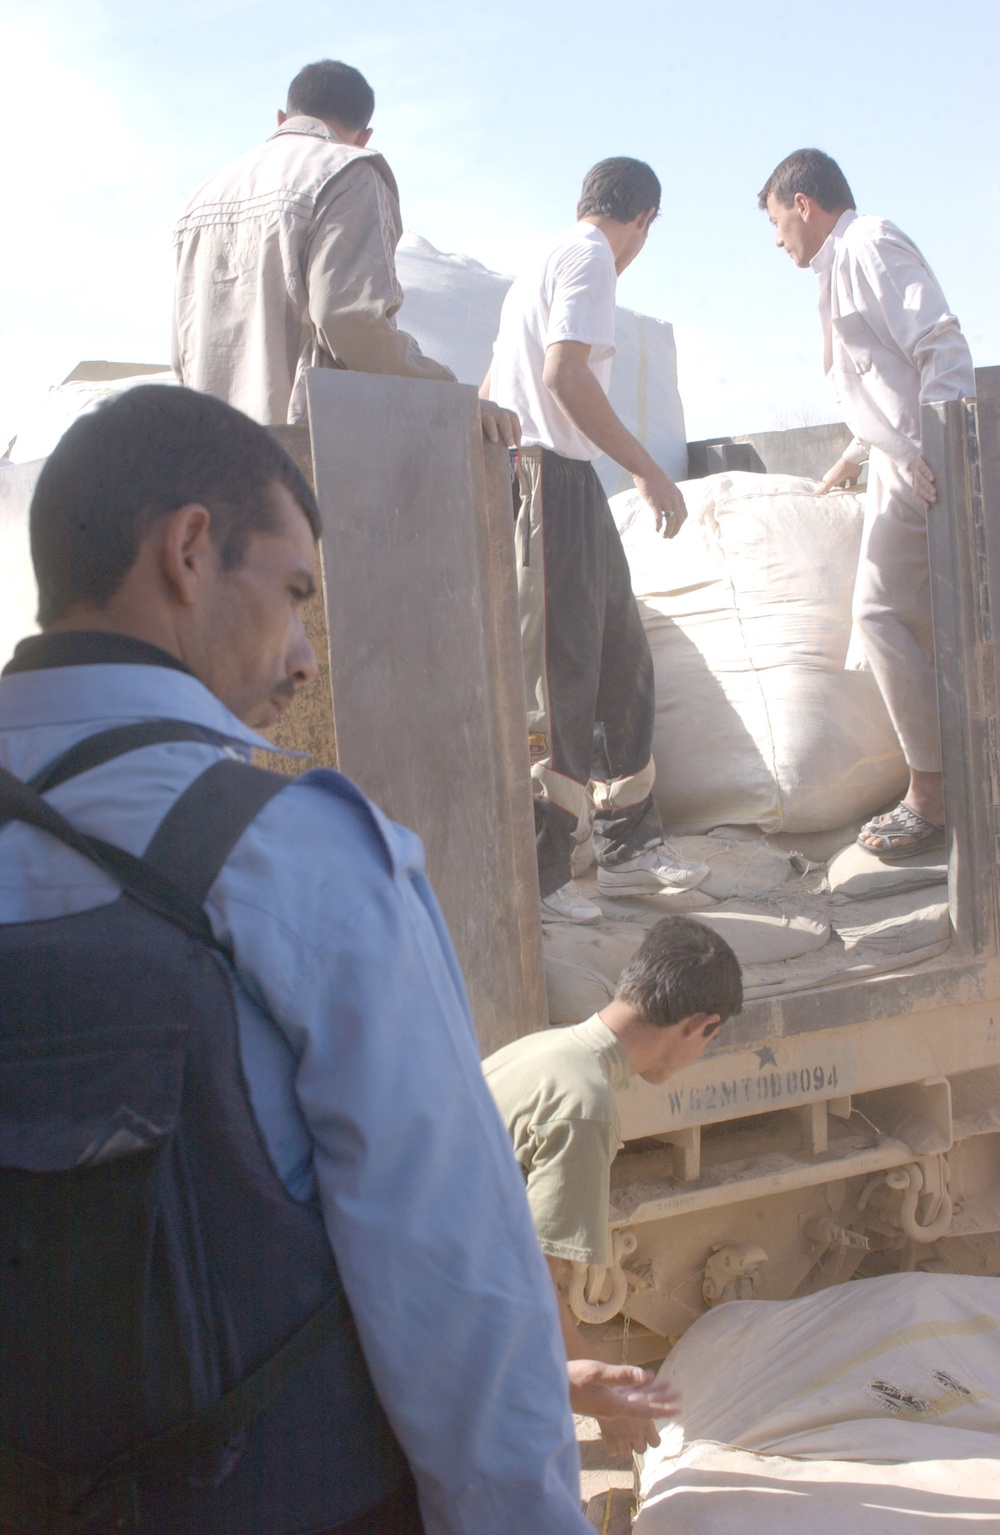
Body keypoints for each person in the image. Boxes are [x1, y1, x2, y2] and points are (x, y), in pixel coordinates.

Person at [0, 384, 594, 1535]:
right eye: (291, 592)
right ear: (187, 549)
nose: (304, 657)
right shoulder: (294, 850)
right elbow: (451, 1278)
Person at [482, 157, 709, 924]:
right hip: (552, 484)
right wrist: (646, 469)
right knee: (561, 675)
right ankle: (542, 878)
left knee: (621, 658)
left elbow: (491, 388)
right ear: (643, 220)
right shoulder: (589, 257)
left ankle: (631, 849)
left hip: (566, 482)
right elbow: (563, 375)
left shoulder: (540, 265)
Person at [759, 148, 976, 860]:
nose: (778, 238)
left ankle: (933, 795)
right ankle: (947, 784)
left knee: (880, 617)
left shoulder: (869, 242)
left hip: (924, 467)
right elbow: (873, 386)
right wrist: (852, 461)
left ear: (803, 204)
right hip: (898, 462)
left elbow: (941, 347)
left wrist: (937, 458)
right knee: (905, 623)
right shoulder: (834, 267)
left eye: (777, 221)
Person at [484, 914, 743, 1455]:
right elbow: (532, 1282)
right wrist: (599, 1394)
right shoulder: (585, 1106)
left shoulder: (543, 1050)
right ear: (699, 1026)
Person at [173, 59, 516, 447]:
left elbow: (182, 347)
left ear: (282, 117)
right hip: (300, 455)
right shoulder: (347, 172)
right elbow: (349, 320)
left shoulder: (204, 195)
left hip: (210, 452)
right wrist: (453, 397)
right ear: (363, 136)